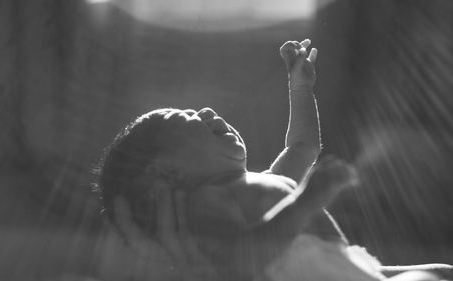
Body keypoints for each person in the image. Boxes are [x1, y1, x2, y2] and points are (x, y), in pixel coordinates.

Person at [95, 40, 451, 281]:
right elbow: (239, 259)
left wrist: (300, 90)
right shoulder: (210, 202)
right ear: (167, 171)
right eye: (186, 117)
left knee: (443, 271)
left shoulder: (262, 182)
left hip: (350, 267)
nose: (204, 110)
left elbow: (303, 147)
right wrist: (308, 200)